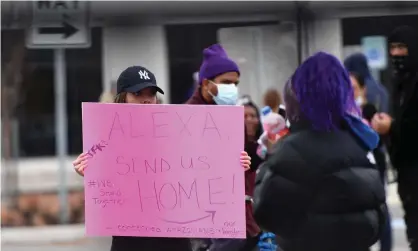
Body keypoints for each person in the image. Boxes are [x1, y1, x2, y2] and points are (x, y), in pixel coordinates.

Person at [72, 65, 252, 251]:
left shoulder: (178, 131)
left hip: (173, 239)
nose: (146, 100)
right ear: (121, 98)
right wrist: (89, 172)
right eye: (138, 94)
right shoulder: (107, 139)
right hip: (130, 241)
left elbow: (202, 168)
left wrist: (233, 165)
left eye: (150, 94)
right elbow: (106, 187)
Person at [253, 52, 386, 251]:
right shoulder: (360, 143)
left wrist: (270, 158)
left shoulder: (293, 150)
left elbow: (266, 210)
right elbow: (377, 220)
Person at [186, 44, 257, 251]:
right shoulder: (186, 117)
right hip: (204, 218)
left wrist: (245, 161)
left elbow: (245, 164)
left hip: (235, 214)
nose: (232, 89)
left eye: (235, 83)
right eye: (226, 83)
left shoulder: (233, 116)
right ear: (206, 84)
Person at [371, 26, 418, 251]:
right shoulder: (399, 84)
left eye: (402, 47)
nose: (397, 54)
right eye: (393, 48)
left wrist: (393, 125)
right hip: (407, 177)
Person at [350, 72, 393, 251]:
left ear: (363, 90)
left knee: (380, 210)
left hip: (373, 167)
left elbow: (379, 140)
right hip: (353, 169)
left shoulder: (368, 110)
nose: (350, 92)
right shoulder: (339, 114)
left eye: (353, 88)